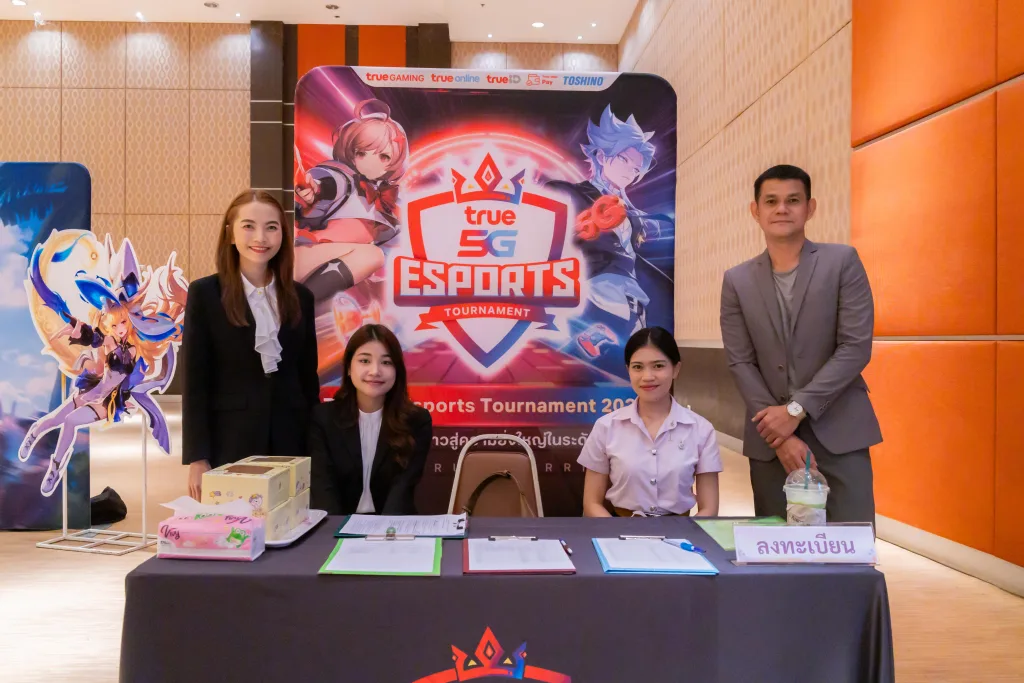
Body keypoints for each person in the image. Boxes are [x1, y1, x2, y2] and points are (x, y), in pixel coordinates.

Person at [720, 164, 882, 524]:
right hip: (770, 440)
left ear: (810, 208)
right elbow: (740, 362)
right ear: (755, 210)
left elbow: (855, 346)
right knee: (779, 546)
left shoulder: (842, 262)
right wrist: (778, 435)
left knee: (850, 544)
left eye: (793, 200)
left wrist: (794, 411)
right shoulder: (736, 281)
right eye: (771, 201)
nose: (782, 209)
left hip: (840, 430)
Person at [182, 190, 320, 501]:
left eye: (272, 227)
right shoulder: (205, 294)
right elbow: (195, 382)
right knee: (236, 523)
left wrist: (315, 445)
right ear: (230, 234)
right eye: (248, 226)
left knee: (290, 520)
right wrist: (197, 457)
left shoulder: (302, 297)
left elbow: (307, 379)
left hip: (291, 438)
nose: (261, 237)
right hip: (230, 438)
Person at [578, 326, 721, 517]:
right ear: (628, 371)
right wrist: (618, 533)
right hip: (620, 529)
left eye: (658, 366)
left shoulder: (701, 429)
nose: (647, 377)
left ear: (676, 369)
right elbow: (591, 503)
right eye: (638, 367)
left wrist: (685, 534)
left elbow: (709, 509)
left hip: (682, 531)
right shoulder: (606, 427)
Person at [308, 324, 432, 515]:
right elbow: (323, 489)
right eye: (364, 361)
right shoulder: (323, 418)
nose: (375, 371)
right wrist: (337, 531)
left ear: (397, 370)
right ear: (349, 368)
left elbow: (402, 490)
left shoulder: (416, 421)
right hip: (337, 524)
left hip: (393, 525)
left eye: (386, 362)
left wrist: (384, 532)